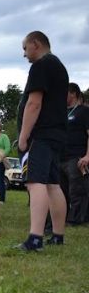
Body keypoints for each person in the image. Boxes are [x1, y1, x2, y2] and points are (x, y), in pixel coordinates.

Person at [16, 31, 69, 251]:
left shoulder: (40, 66)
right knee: (52, 184)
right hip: (57, 133)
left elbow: (33, 103)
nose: (24, 54)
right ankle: (57, 235)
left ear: (35, 44)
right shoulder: (59, 66)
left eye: (25, 48)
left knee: (34, 181)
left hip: (42, 133)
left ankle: (35, 238)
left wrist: (23, 135)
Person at [59, 82, 89, 225]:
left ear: (73, 93)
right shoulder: (62, 112)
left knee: (76, 190)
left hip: (76, 156)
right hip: (60, 156)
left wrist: (87, 156)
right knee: (61, 190)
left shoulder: (83, 111)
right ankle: (62, 217)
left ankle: (77, 219)